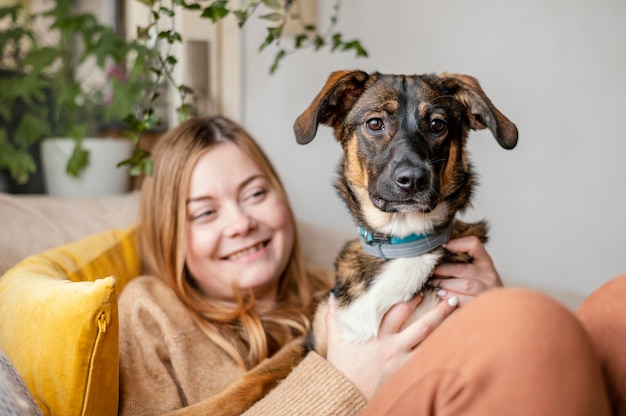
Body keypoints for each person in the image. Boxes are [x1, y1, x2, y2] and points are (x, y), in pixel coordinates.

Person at [118, 115, 622, 415]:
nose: (240, 222)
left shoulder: (340, 283)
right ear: (170, 230)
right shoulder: (149, 312)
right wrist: (345, 382)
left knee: (617, 309)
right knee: (527, 322)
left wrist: (485, 307)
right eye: (205, 212)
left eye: (255, 194)